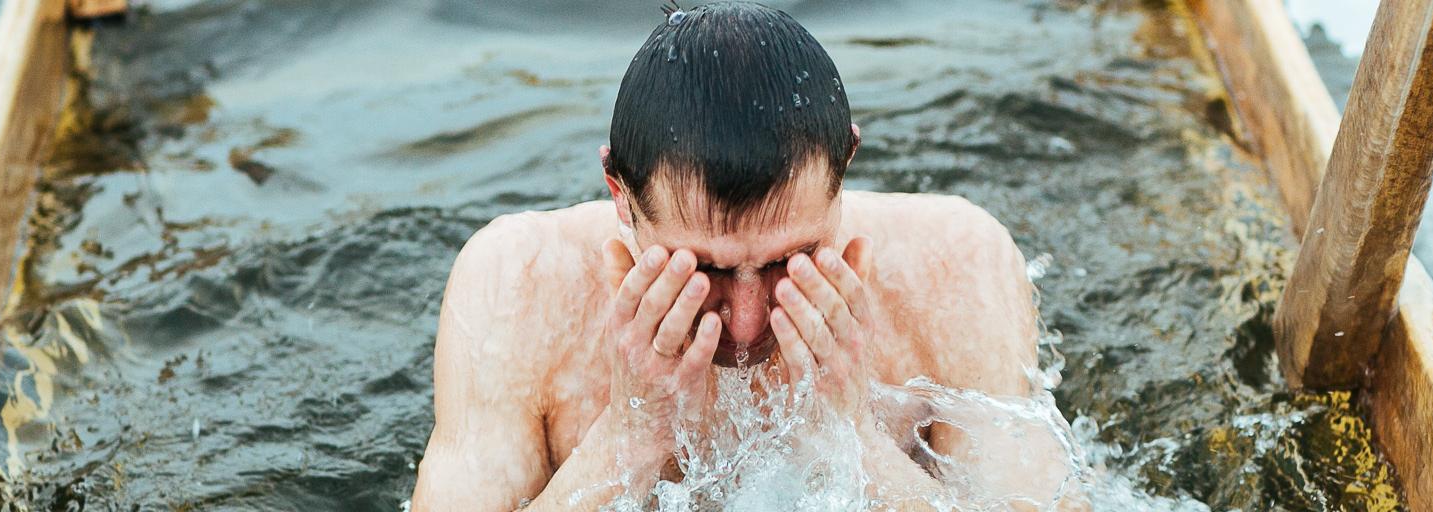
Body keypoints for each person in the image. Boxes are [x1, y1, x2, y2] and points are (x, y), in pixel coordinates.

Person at [411, 2, 1078, 509]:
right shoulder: (518, 284)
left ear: (844, 166)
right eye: (703, 270)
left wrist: (850, 442)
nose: (750, 323)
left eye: (793, 259)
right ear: (619, 193)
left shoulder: (954, 265)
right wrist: (630, 438)